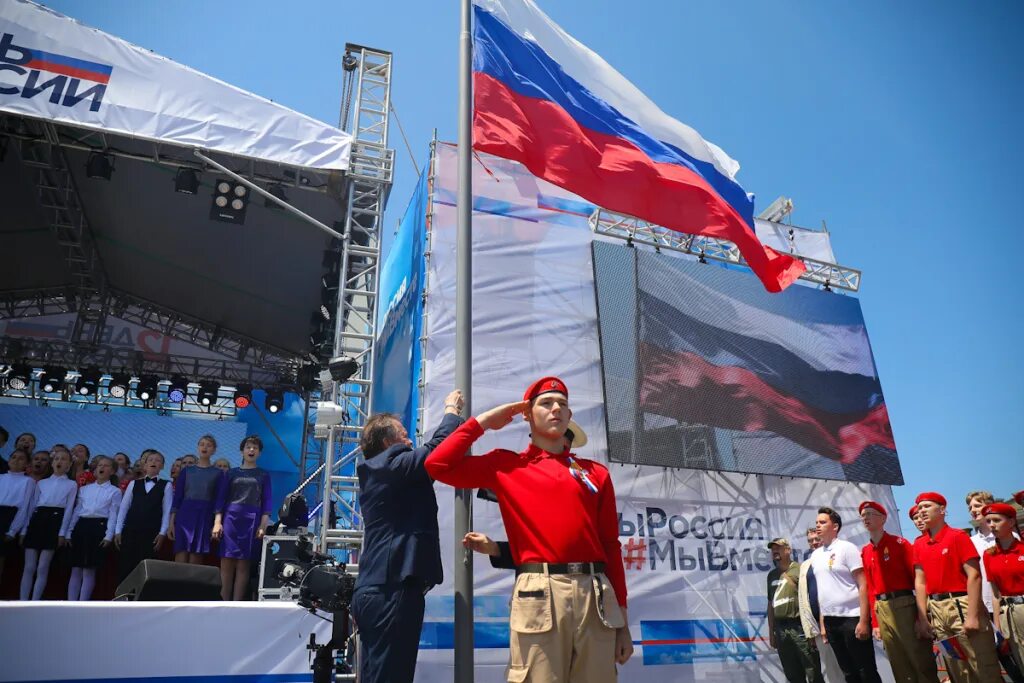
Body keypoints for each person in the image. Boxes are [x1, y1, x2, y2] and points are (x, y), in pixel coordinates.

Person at [425, 377, 632, 682]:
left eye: (562, 404)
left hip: (596, 595)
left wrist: (623, 623)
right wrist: (482, 422)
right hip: (540, 594)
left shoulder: (595, 473)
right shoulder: (506, 466)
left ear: (570, 416)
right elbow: (437, 465)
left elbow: (610, 545)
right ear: (526, 414)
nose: (556, 409)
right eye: (546, 403)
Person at [351, 391, 465, 683]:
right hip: (392, 589)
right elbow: (436, 449)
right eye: (404, 436)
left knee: (378, 675)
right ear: (388, 443)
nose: (410, 441)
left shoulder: (379, 473)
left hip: (378, 589)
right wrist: (451, 410)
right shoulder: (391, 466)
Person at [912, 491, 1001, 682]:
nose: (922, 511)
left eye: (927, 506)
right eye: (919, 508)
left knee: (982, 666)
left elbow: (974, 575)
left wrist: (973, 615)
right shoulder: (919, 544)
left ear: (942, 509)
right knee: (957, 669)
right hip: (936, 610)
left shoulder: (957, 536)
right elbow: (920, 582)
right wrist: (923, 618)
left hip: (962, 604)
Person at [858, 500, 938, 683]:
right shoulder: (866, 551)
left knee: (919, 660)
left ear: (883, 518)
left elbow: (919, 581)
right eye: (863, 515)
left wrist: (921, 616)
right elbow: (870, 589)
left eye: (870, 513)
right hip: (882, 608)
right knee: (899, 664)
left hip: (904, 605)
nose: (865, 518)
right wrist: (876, 622)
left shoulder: (900, 544)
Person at [810, 506, 881, 683]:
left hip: (852, 618)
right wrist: (823, 624)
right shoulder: (815, 555)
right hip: (831, 621)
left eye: (823, 522)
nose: (818, 525)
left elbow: (863, 584)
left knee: (866, 671)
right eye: (817, 522)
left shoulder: (846, 548)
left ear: (835, 527)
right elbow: (822, 591)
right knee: (848, 673)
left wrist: (864, 620)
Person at [965, 490, 1024, 682]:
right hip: (991, 607)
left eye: (977, 505)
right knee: (1007, 656)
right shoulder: (976, 545)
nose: (973, 510)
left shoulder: (1015, 539)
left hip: (1014, 605)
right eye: (970, 507)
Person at [212, 436, 271, 601]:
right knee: (226, 562)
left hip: (252, 520)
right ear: (242, 451)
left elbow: (267, 501)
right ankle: (222, 603)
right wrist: (217, 522)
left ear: (259, 452)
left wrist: (263, 525)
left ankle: (237, 604)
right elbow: (221, 499)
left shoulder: (263, 475)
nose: (251, 450)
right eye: (248, 447)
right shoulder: (230, 473)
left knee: (243, 564)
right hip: (230, 518)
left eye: (255, 448)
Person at [19, 448, 77, 599]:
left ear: (69, 465)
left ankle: (35, 600)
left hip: (55, 520)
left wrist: (62, 532)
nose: (59, 461)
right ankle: (23, 600)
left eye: (64, 459)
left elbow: (69, 509)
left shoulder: (71, 484)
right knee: (29, 566)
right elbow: (31, 507)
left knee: (43, 566)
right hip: (38, 519)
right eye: (57, 458)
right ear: (52, 463)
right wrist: (24, 530)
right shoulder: (42, 483)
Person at [767, 537, 824, 683]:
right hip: (780, 630)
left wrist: (812, 628)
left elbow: (811, 598)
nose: (775, 551)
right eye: (773, 549)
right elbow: (770, 605)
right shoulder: (771, 575)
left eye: (778, 548)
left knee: (812, 671)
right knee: (792, 674)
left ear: (788, 550)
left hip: (799, 627)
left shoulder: (800, 570)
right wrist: (771, 632)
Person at [67, 456, 122, 601]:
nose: (102, 468)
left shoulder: (114, 491)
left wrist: (108, 536)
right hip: (82, 526)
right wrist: (69, 531)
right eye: (99, 465)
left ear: (113, 471)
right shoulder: (84, 490)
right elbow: (77, 511)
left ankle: (83, 603)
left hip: (99, 527)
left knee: (89, 570)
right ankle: (71, 603)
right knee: (76, 568)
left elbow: (113, 514)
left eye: (106, 465)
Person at [114, 451, 172, 584]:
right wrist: (118, 530)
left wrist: (162, 533)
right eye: (150, 460)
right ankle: (124, 599)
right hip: (130, 530)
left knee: (145, 567)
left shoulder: (166, 485)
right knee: (126, 565)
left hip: (151, 532)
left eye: (158, 460)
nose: (153, 462)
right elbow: (124, 507)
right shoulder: (134, 484)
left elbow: (166, 510)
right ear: (144, 466)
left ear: (162, 466)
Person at [798, 526, 845, 683]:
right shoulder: (805, 566)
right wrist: (809, 630)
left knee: (848, 666)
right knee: (832, 670)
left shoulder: (833, 556)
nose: (813, 543)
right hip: (817, 626)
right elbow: (803, 598)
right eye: (810, 541)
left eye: (816, 539)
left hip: (837, 620)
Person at [983, 502, 1024, 675]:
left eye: (996, 520)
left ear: (1012, 521)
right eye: (989, 521)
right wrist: (998, 629)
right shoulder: (989, 554)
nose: (991, 525)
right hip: (1007, 613)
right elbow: (995, 594)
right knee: (1020, 661)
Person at [170, 435, 223, 564]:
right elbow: (177, 498)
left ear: (214, 450)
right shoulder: (187, 471)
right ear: (198, 447)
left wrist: (217, 522)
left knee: (196, 554)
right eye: (202, 444)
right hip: (185, 514)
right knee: (181, 552)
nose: (204, 447)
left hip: (204, 516)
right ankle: (176, 584)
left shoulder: (218, 473)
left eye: (209, 445)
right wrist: (171, 522)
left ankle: (192, 584)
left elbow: (219, 499)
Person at [0, 449, 36, 579]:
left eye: (21, 458)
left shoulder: (28, 481)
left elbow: (25, 507)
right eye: (13, 457)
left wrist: (13, 530)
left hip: (9, 518)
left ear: (27, 464)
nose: (16, 460)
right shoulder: (1, 477)